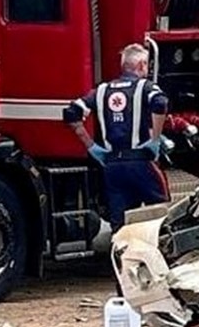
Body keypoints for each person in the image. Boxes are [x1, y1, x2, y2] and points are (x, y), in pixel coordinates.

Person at [63, 43, 170, 230]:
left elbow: (71, 113)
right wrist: (155, 140)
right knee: (160, 215)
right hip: (141, 162)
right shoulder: (145, 87)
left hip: (112, 166)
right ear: (141, 65)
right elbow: (160, 103)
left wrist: (91, 146)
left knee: (120, 224)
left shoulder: (101, 90)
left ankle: (121, 256)